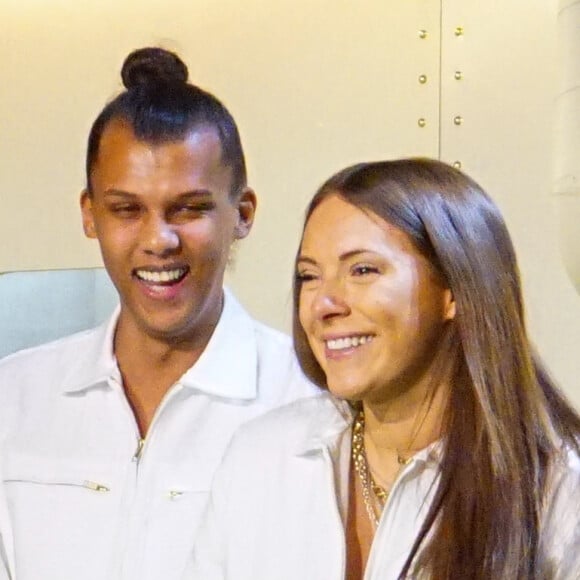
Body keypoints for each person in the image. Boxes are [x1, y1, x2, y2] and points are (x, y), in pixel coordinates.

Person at [0, 47, 316, 580]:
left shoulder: (312, 405)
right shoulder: (15, 397)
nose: (158, 240)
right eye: (126, 209)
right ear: (90, 215)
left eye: (188, 208)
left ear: (242, 215)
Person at [185, 158, 580, 579]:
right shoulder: (260, 457)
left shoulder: (557, 492)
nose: (323, 304)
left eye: (362, 270)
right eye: (309, 276)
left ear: (454, 291)